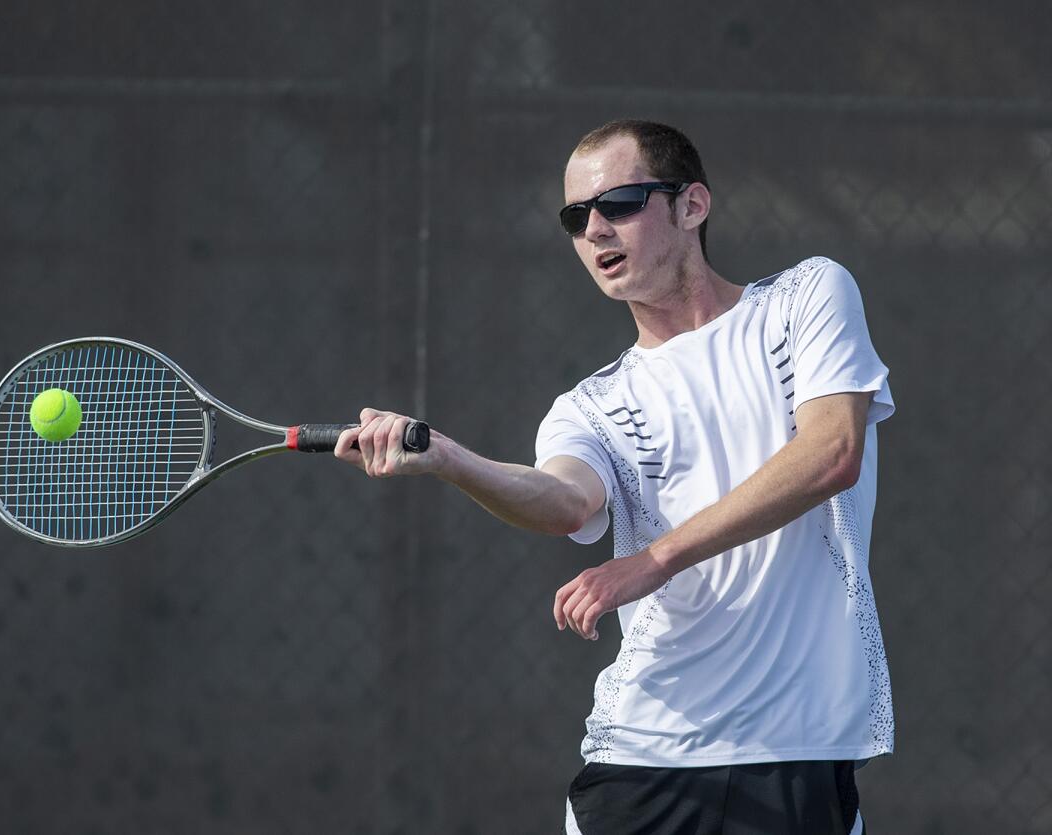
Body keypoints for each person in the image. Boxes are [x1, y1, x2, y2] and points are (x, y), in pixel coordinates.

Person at [334, 120, 893, 834]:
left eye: (620, 203)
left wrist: (651, 560)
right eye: (576, 217)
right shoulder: (591, 405)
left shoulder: (806, 298)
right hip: (646, 756)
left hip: (802, 750)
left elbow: (831, 453)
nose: (595, 229)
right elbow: (566, 500)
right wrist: (448, 458)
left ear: (691, 206)